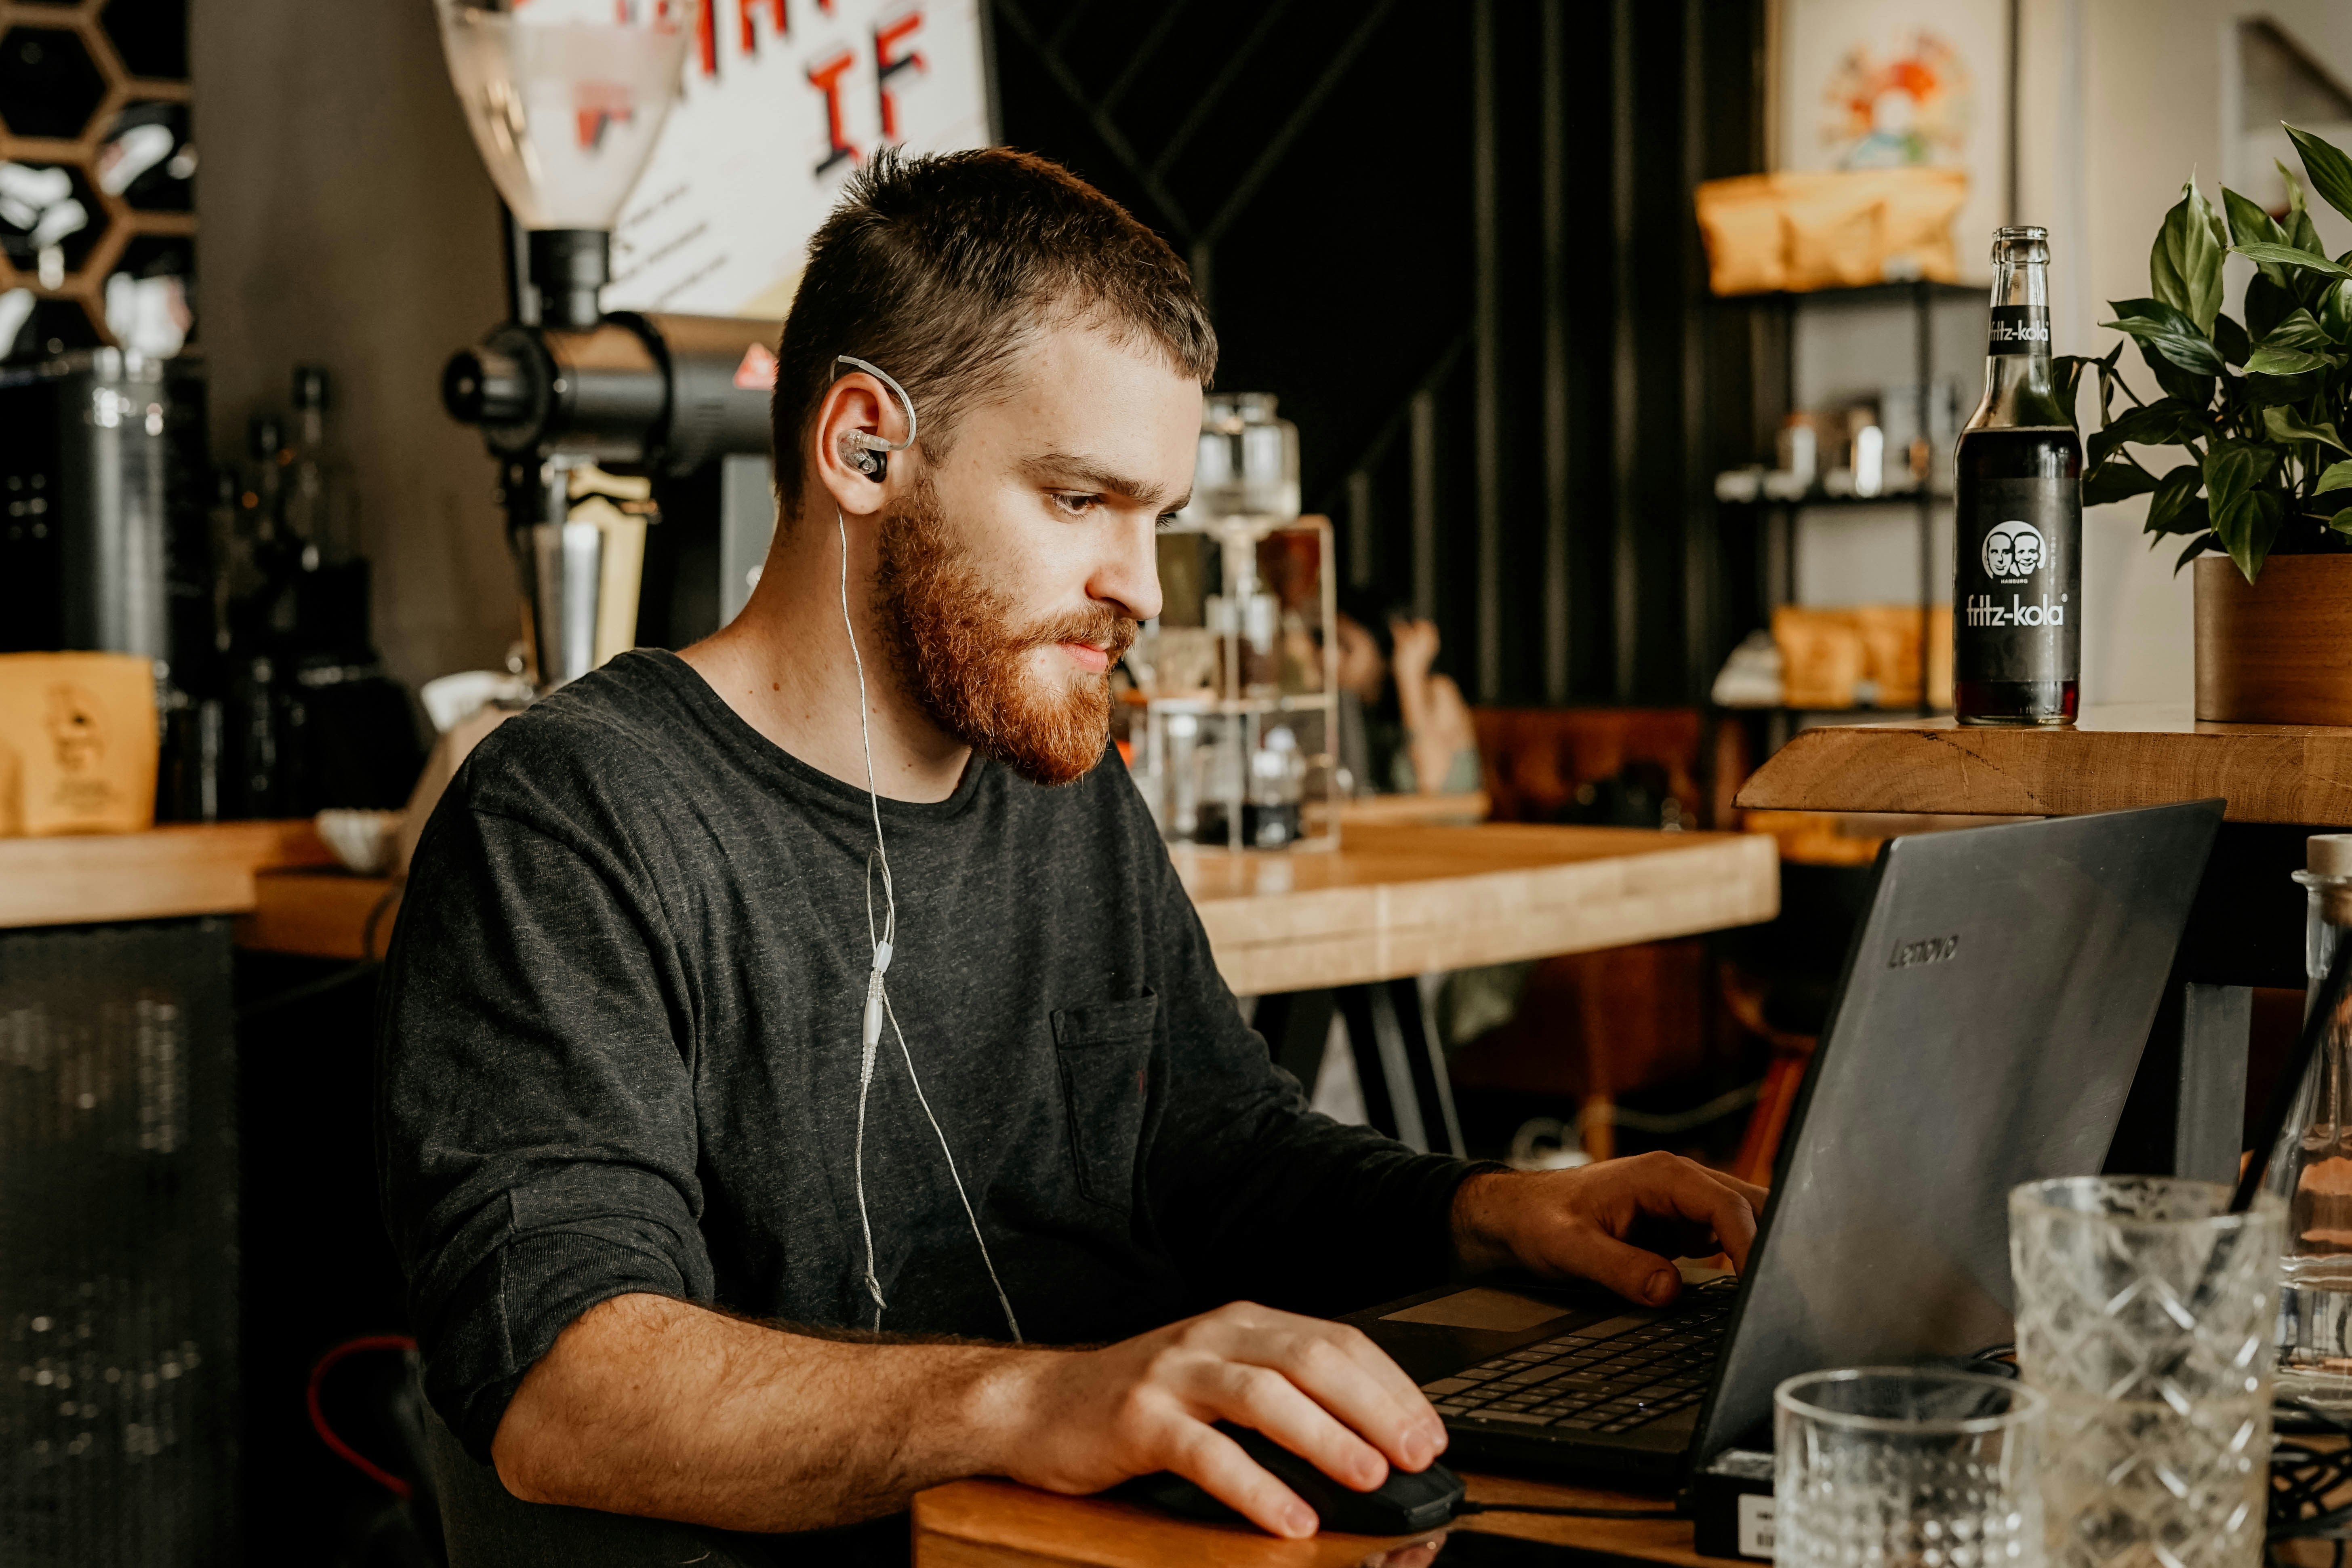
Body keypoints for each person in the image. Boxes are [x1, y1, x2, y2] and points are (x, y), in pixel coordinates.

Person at [376, 147, 1763, 1567]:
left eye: (1153, 517)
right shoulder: (575, 815)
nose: (1140, 588)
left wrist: (1490, 1213)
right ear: (863, 446)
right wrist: (1042, 1398)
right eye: (1078, 499)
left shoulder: (1056, 773)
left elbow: (1219, 1154)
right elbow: (566, 1386)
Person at [1333, 603, 1482, 797]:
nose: (1330, 657)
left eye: (1346, 647)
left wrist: (1409, 674)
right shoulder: (1353, 708)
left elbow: (1430, 781)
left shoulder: (1439, 691)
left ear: (1384, 648)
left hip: (1445, 826)